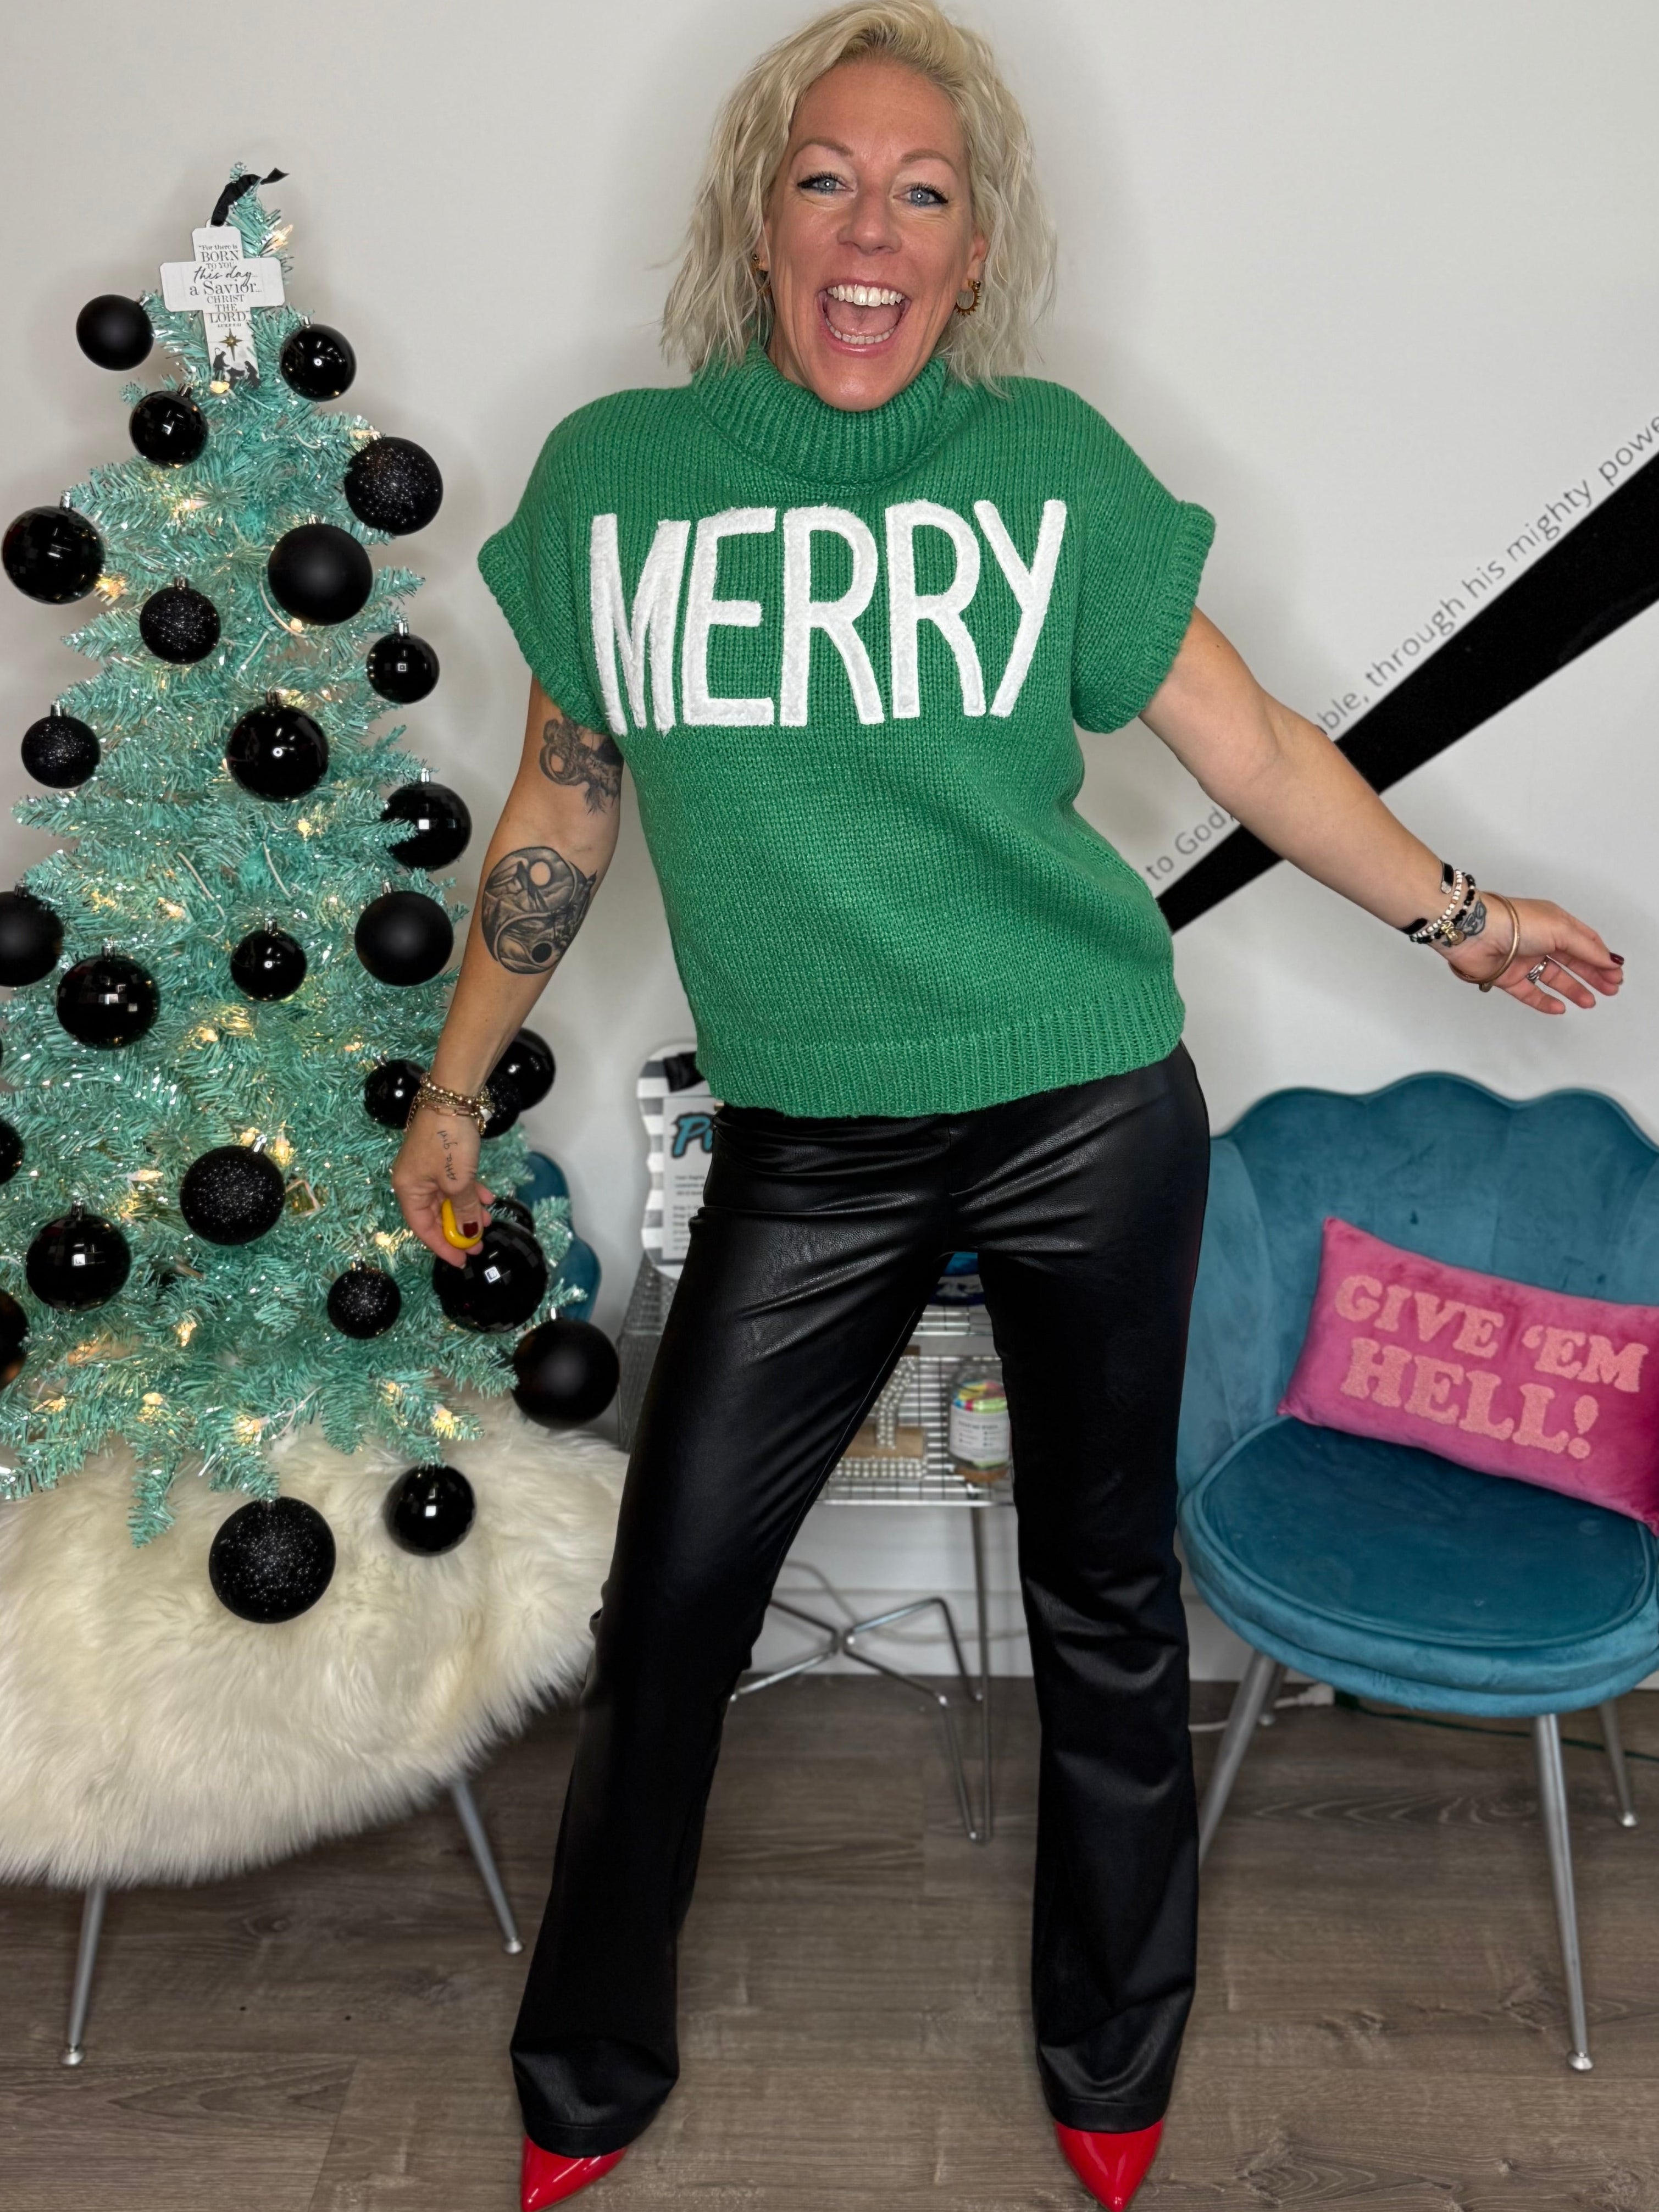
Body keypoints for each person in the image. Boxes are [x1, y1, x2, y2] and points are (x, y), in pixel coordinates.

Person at [392, 4, 1625, 2204]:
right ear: (755, 216)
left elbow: (1243, 746)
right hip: (812, 1134)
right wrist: (457, 1086)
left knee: (1098, 1594)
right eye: (825, 181)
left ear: (973, 249)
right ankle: (583, 2070)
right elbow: (560, 804)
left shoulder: (1040, 470)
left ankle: (1108, 2048)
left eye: (921, 193)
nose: (868, 231)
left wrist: (1455, 911)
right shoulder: (619, 485)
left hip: (1080, 1099)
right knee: (672, 1594)